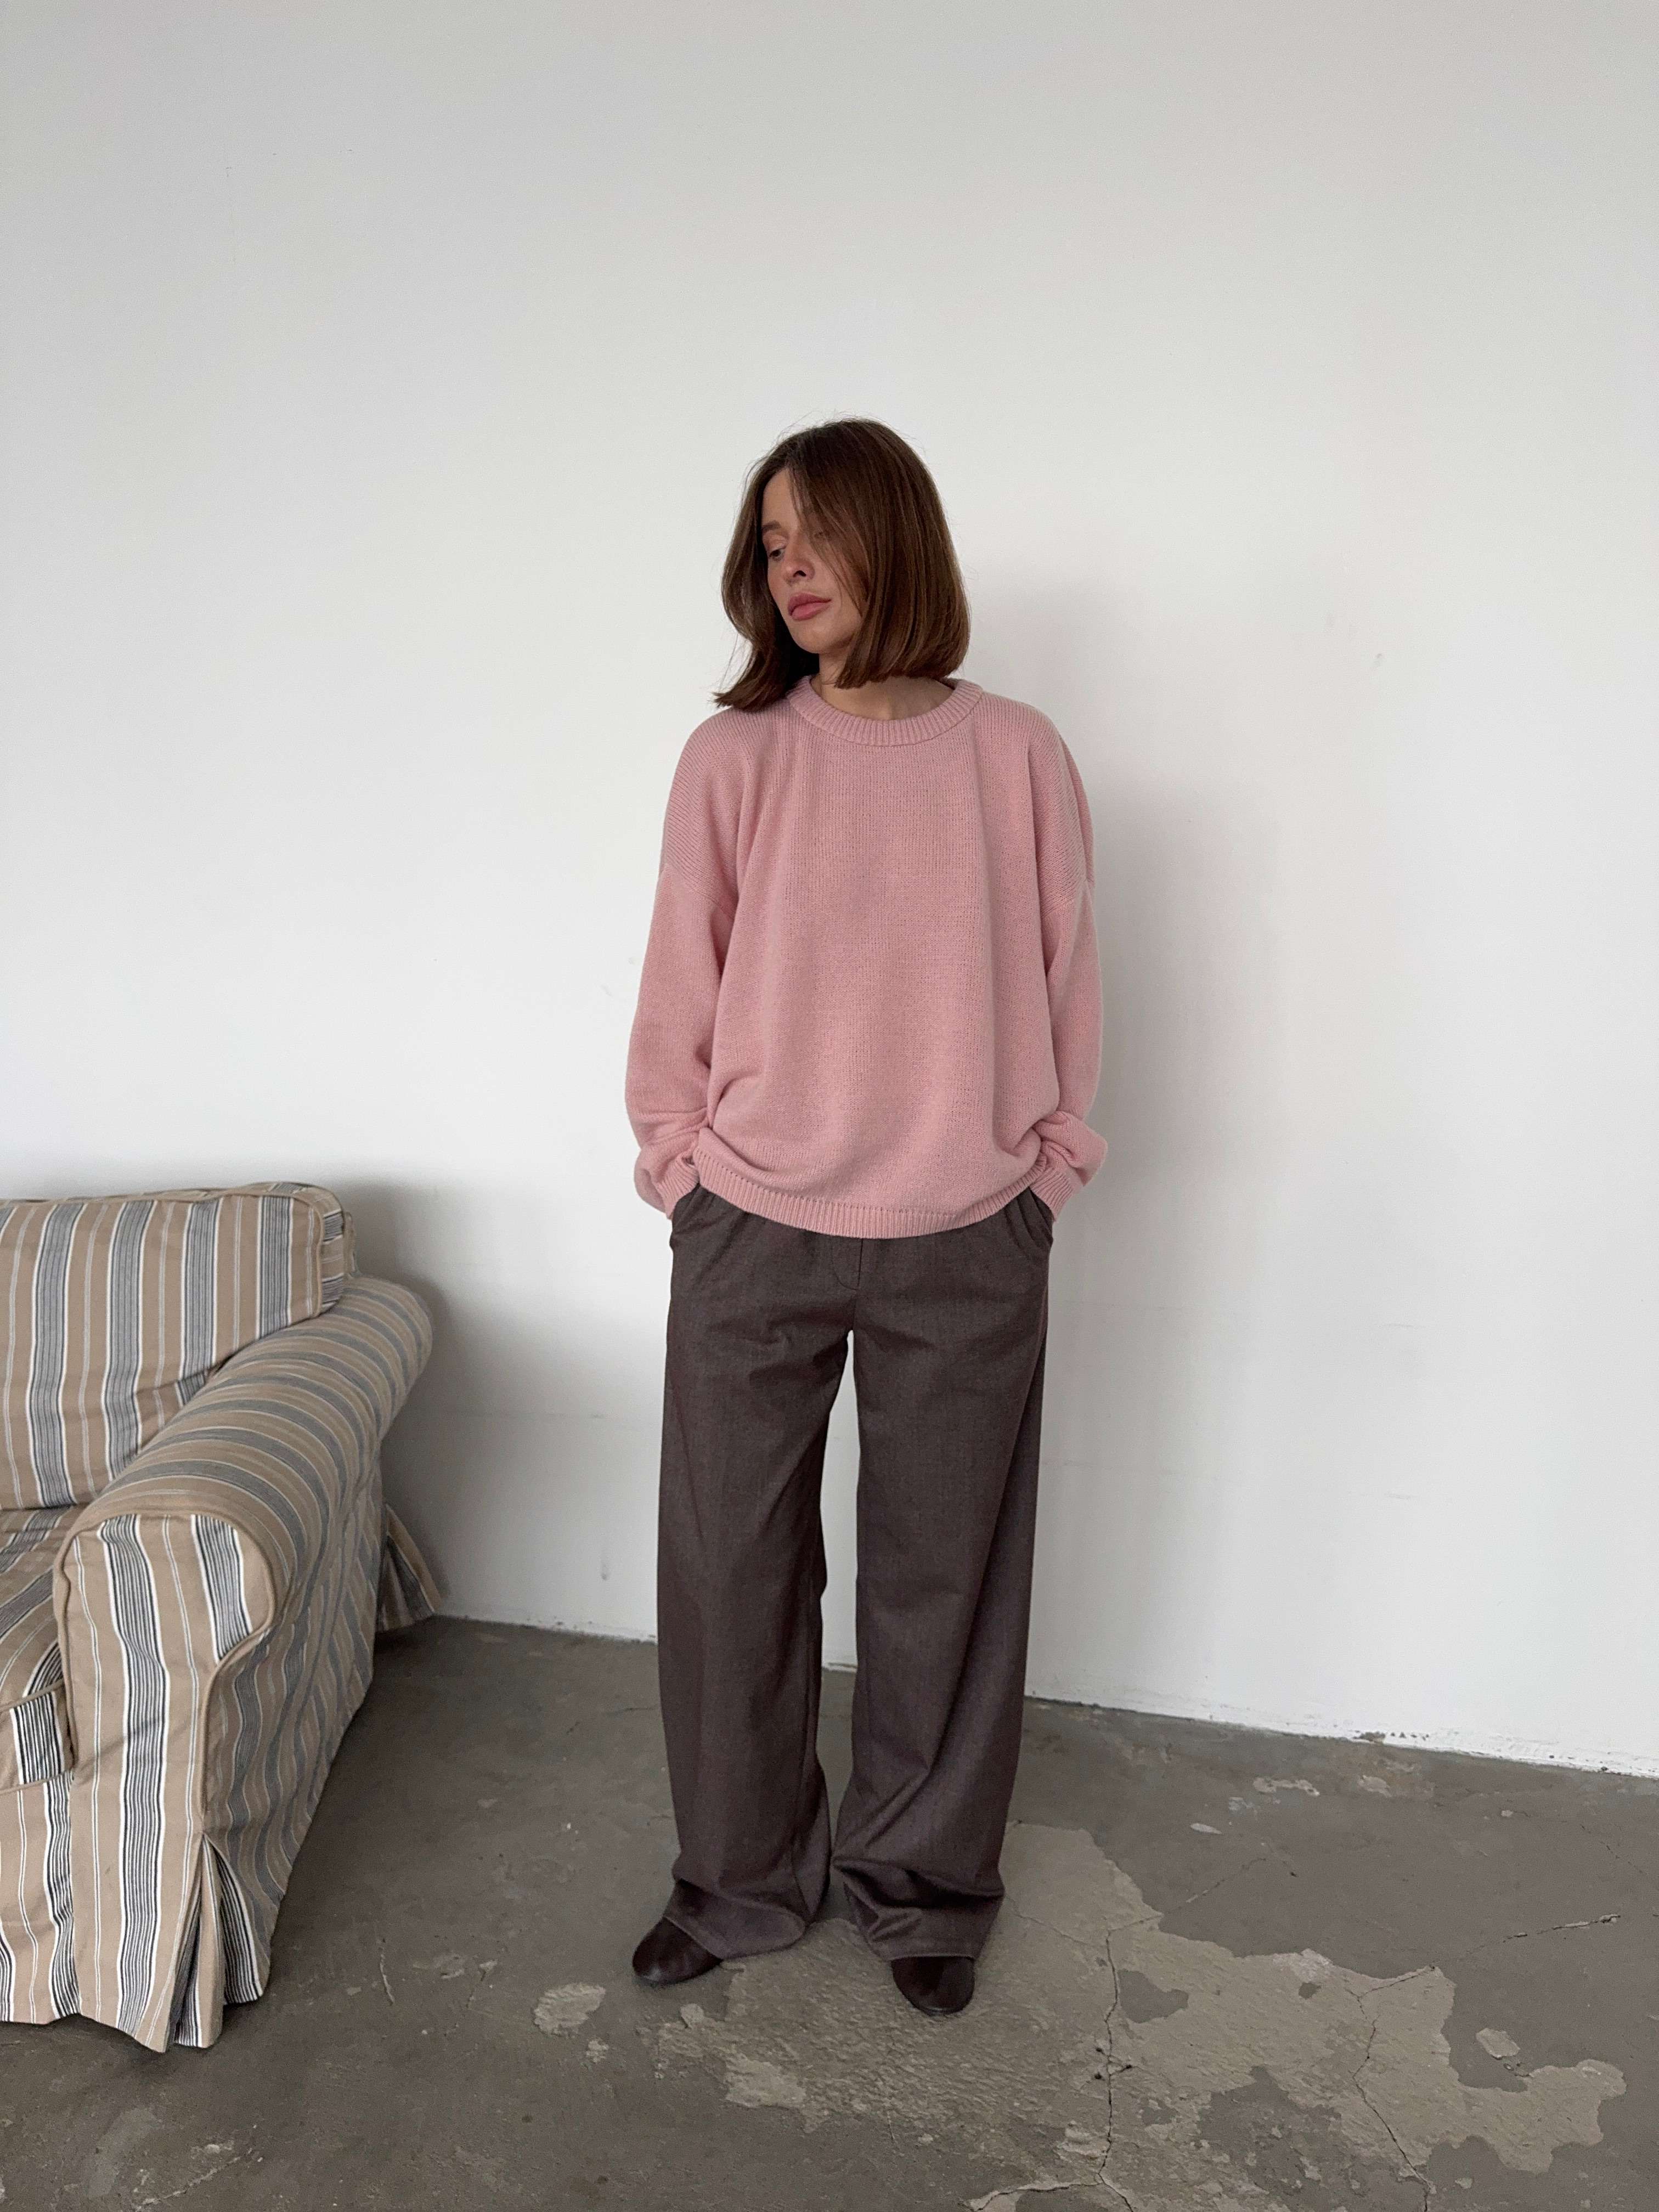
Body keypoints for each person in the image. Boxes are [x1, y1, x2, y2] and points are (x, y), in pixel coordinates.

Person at [623, 417, 1105, 2017]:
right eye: (770, 545)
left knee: (942, 1583)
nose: (792, 569)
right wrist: (681, 1168)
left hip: (968, 1228)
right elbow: (679, 980)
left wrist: (1047, 1170)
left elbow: (1068, 973)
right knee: (730, 1571)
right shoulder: (735, 759)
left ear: (896, 536)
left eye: (817, 532)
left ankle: (921, 1891)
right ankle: (737, 1881)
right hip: (752, 1221)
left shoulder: (1015, 752)